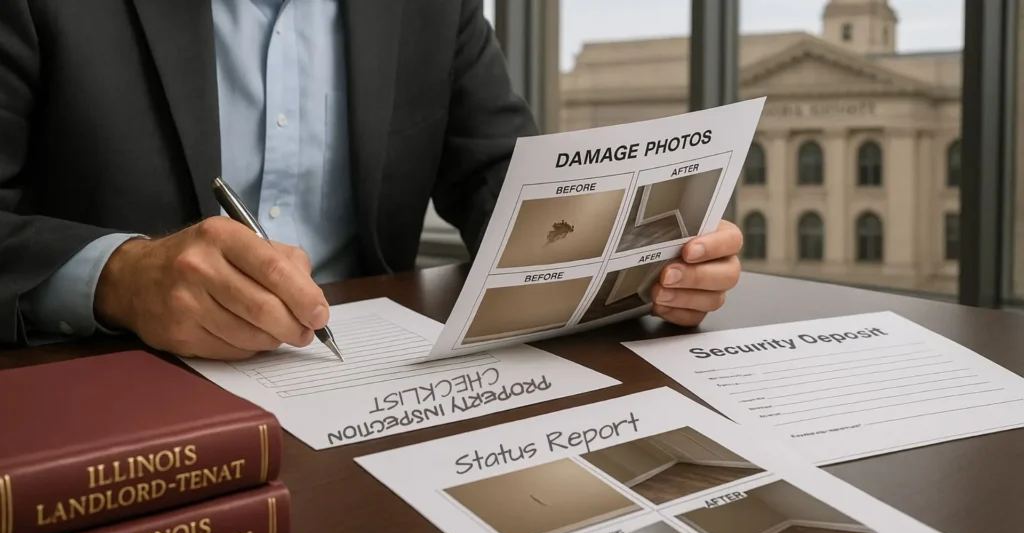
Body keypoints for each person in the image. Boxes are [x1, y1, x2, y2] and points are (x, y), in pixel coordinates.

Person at [0, 0, 743, 360]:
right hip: (110, 385)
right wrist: (120, 279)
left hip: (368, 382)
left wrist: (646, 253)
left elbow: (499, 178)